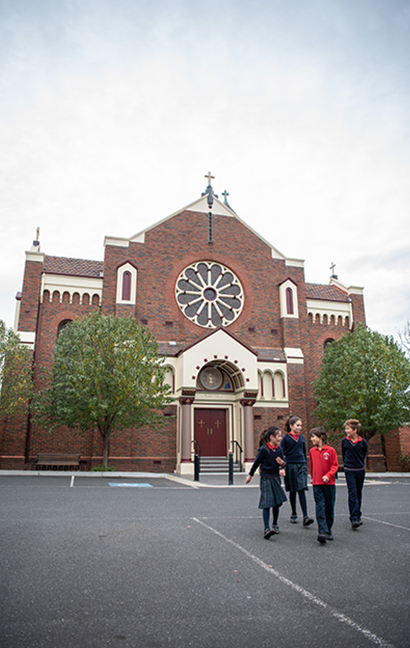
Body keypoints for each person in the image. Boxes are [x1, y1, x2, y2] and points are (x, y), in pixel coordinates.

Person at [246, 426, 287, 539]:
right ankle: (266, 528)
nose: (280, 438)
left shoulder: (279, 449)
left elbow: (284, 463)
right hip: (266, 478)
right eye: (278, 436)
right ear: (271, 437)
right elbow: (256, 462)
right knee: (267, 504)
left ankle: (275, 524)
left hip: (275, 478)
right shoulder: (263, 449)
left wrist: (282, 464)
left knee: (277, 503)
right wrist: (250, 475)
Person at [280, 416, 314, 526]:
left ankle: (305, 516)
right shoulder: (285, 439)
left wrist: (305, 464)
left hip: (301, 464)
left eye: (300, 425)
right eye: (298, 425)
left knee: (301, 488)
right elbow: (281, 453)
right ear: (291, 426)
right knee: (293, 490)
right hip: (290, 465)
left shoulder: (302, 438)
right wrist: (282, 467)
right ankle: (294, 513)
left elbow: (304, 452)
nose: (300, 427)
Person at [309, 427, 339, 544]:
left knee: (329, 507)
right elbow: (311, 466)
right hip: (317, 483)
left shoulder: (331, 451)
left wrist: (328, 475)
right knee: (319, 506)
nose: (311, 439)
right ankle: (322, 531)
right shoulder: (312, 451)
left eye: (313, 436)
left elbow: (335, 466)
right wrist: (313, 477)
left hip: (329, 483)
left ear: (320, 437)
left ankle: (328, 530)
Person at [342, 419, 368, 529]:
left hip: (360, 470)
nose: (346, 430)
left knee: (358, 493)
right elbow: (344, 454)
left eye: (348, 429)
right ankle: (354, 518)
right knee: (352, 493)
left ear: (355, 430)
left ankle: (358, 514)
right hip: (349, 470)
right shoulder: (345, 441)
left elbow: (364, 454)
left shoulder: (363, 442)